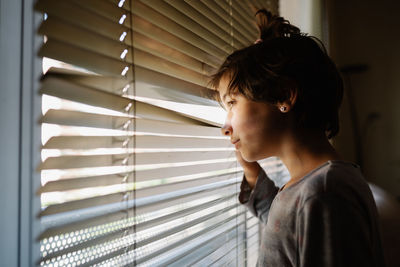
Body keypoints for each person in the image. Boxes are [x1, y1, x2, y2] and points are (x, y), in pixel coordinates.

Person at [210, 9, 386, 267]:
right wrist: (251, 172)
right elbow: (285, 226)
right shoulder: (313, 187)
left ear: (283, 97)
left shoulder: (325, 193)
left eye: (233, 103)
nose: (225, 127)